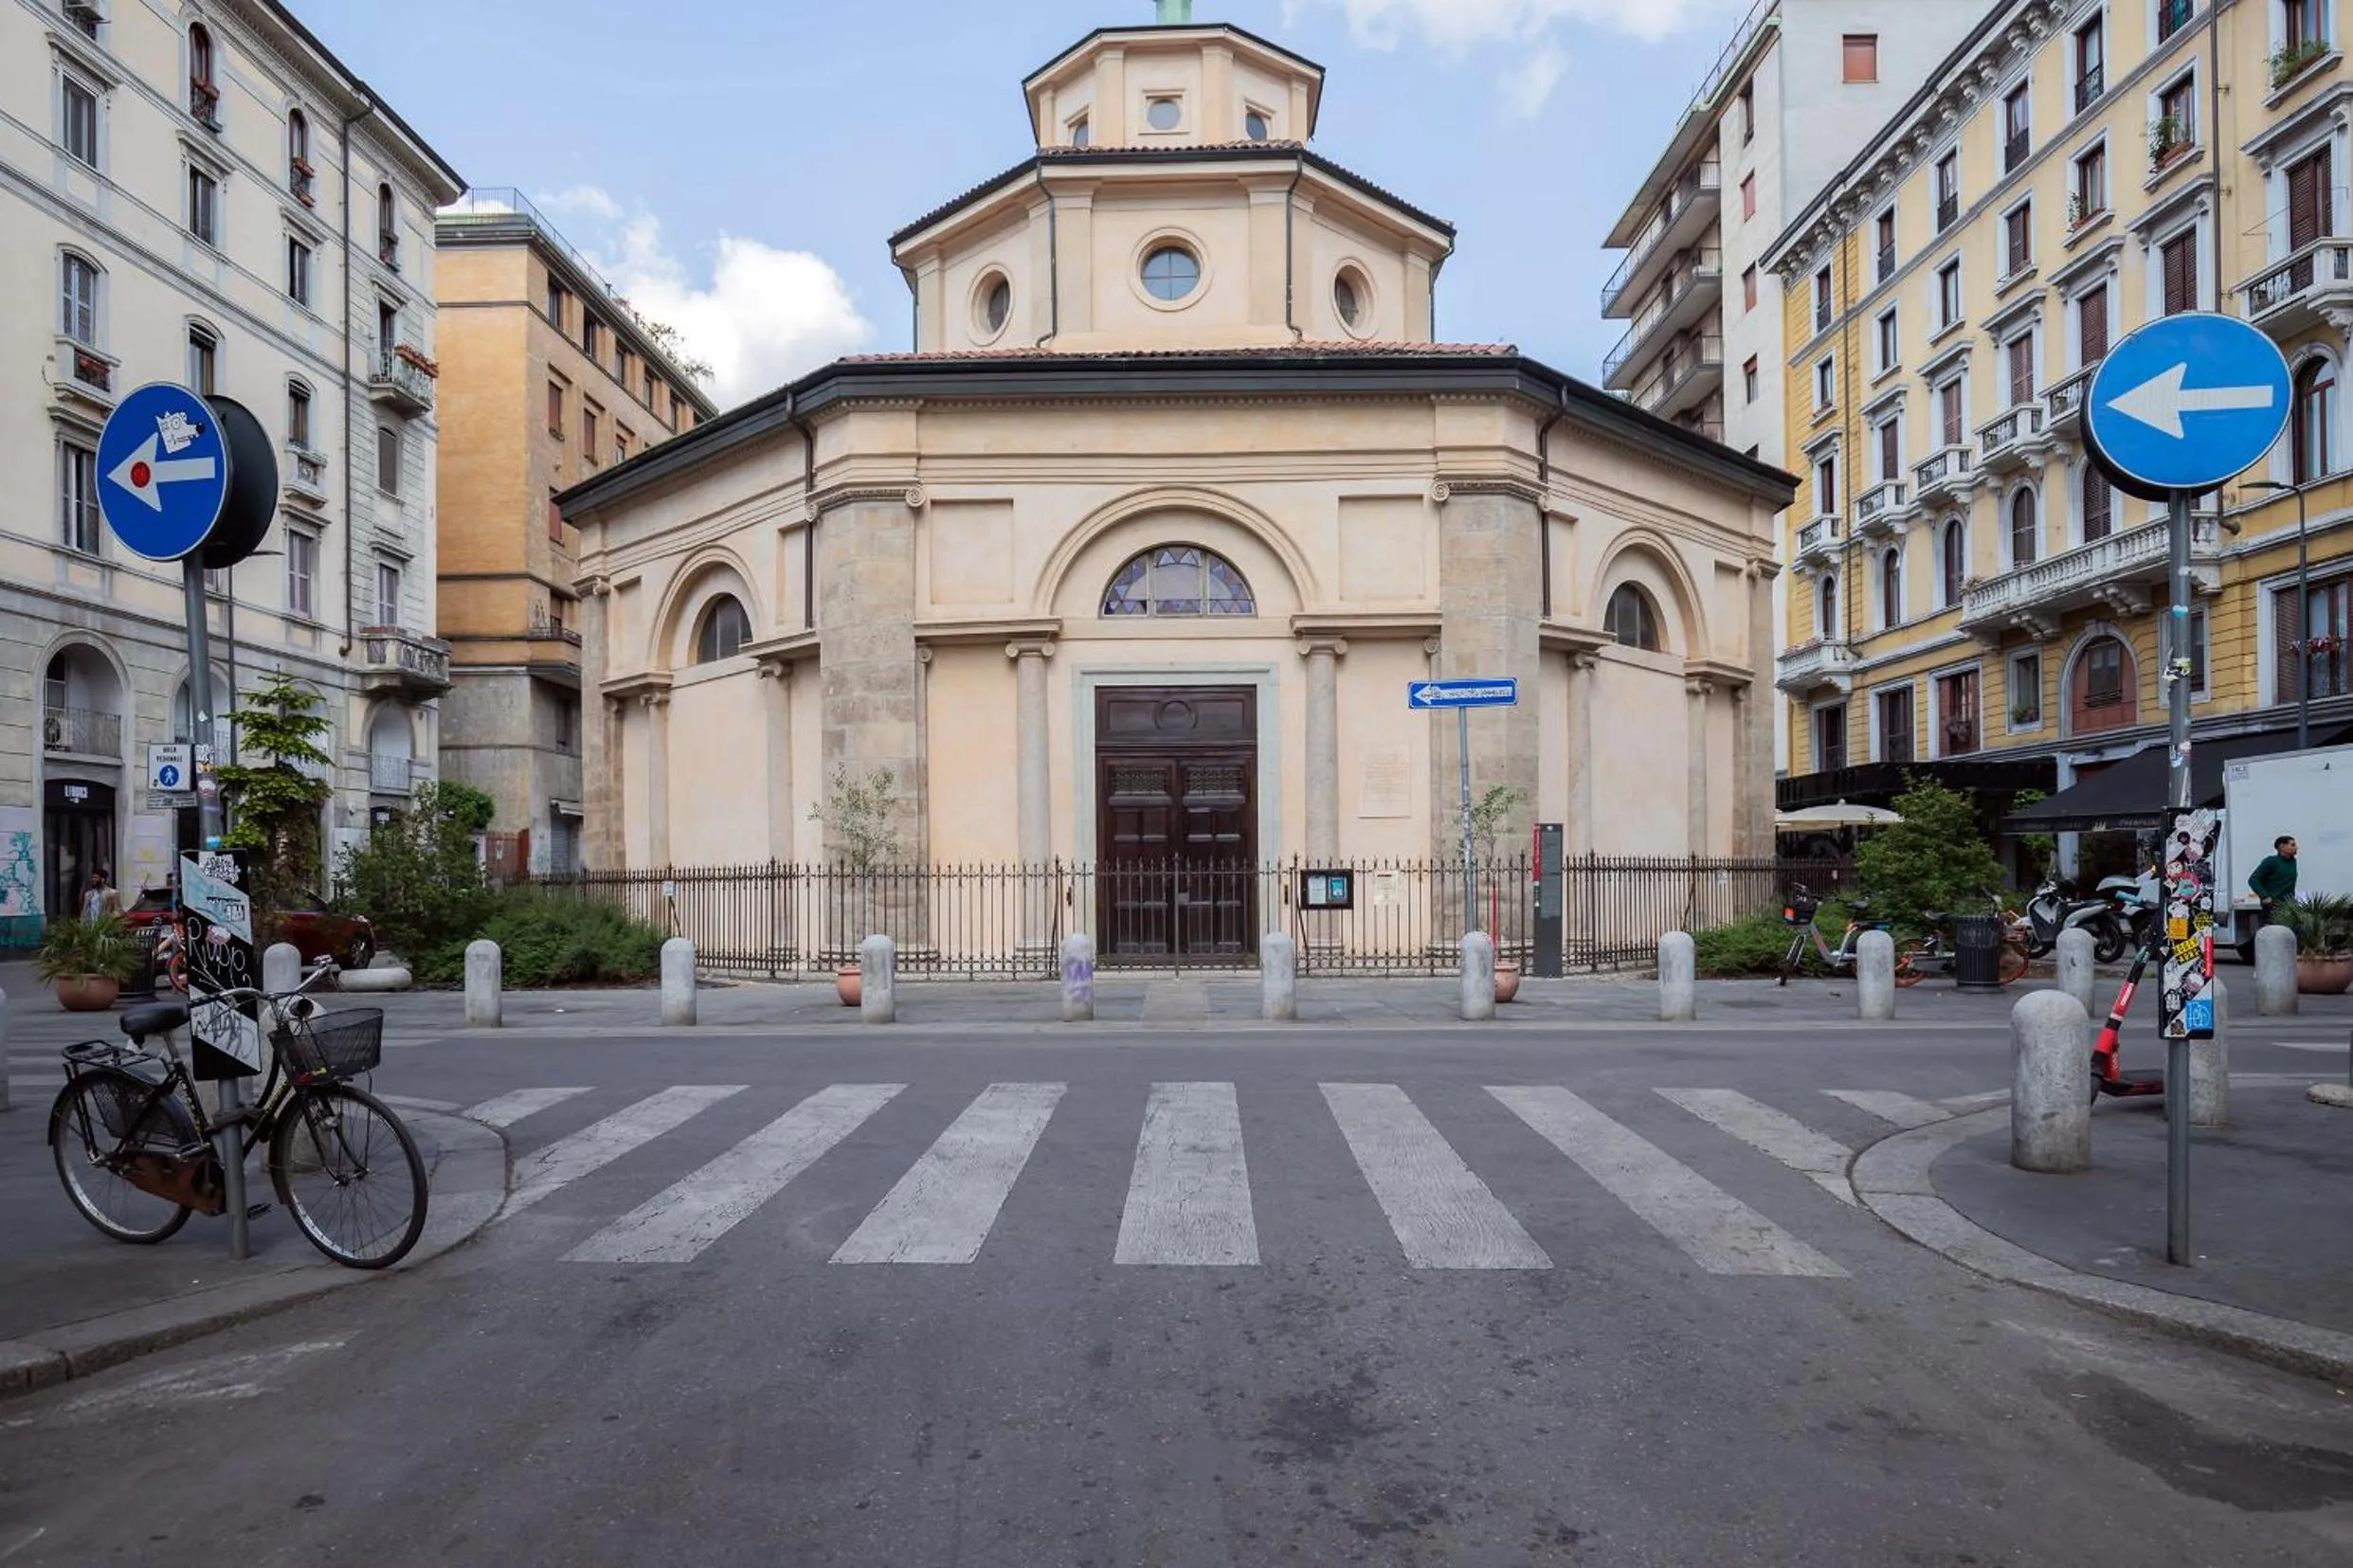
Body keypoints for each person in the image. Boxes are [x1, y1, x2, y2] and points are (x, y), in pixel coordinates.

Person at [2249, 834, 2299, 924]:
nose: (2296, 847)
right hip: (2273, 905)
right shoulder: (2271, 861)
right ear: (2282, 847)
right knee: (2273, 932)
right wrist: (2264, 896)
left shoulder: (2292, 862)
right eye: (2293, 845)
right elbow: (2253, 879)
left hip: (2288, 905)